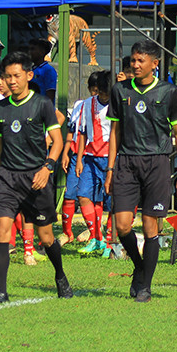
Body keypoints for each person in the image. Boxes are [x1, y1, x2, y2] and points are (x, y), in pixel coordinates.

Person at [106, 41, 177, 303]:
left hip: (157, 163)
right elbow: (114, 132)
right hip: (126, 163)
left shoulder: (168, 91)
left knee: (150, 224)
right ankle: (140, 267)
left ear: (155, 64)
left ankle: (145, 285)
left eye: (141, 61)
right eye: (133, 60)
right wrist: (110, 168)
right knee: (121, 226)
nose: (135, 65)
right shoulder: (120, 90)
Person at [0, 52, 74, 304]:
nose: (11, 81)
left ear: (28, 76)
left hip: (36, 178)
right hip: (6, 178)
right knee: (2, 229)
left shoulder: (42, 105)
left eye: (16, 76)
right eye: (7, 76)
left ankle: (60, 275)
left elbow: (57, 142)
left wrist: (47, 168)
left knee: (45, 237)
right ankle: (2, 292)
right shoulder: (0, 108)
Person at [74, 70, 113, 255]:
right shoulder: (87, 104)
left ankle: (110, 241)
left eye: (106, 93)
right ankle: (95, 236)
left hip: (109, 158)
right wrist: (79, 159)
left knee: (111, 201)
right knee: (82, 195)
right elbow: (82, 132)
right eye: (101, 92)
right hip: (90, 157)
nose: (103, 96)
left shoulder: (116, 105)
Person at [57, 94, 87, 246]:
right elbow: (72, 130)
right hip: (76, 155)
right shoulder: (80, 105)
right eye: (93, 90)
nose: (96, 94)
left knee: (92, 197)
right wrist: (65, 152)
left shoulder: (109, 106)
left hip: (95, 155)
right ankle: (67, 232)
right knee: (69, 194)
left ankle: (96, 233)